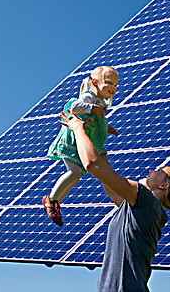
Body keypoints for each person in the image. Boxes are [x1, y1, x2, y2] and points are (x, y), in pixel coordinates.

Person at [59, 109, 170, 292]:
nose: (151, 171)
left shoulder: (147, 202)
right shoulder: (143, 209)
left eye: (159, 171)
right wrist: (98, 138)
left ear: (164, 186)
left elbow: (93, 165)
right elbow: (109, 186)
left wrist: (78, 129)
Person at [43, 66, 119, 226]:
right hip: (72, 142)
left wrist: (107, 128)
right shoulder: (89, 97)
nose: (113, 87)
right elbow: (75, 107)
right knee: (73, 173)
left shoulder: (100, 102)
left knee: (75, 175)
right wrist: (93, 108)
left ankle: (55, 202)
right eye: (109, 83)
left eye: (115, 85)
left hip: (82, 143)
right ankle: (50, 200)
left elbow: (97, 123)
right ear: (95, 82)